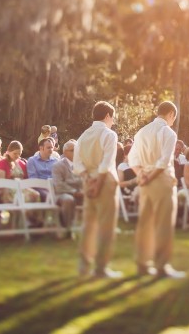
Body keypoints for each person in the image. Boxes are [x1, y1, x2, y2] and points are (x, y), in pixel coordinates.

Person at [128, 101, 185, 278]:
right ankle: (162, 266)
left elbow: (132, 158)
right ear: (171, 114)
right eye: (173, 118)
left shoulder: (141, 132)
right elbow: (164, 161)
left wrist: (141, 175)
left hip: (145, 179)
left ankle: (142, 263)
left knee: (145, 223)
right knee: (163, 224)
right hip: (160, 179)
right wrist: (149, 177)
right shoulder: (168, 132)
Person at [74, 100, 122, 278]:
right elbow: (107, 163)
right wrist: (98, 183)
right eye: (113, 117)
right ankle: (101, 268)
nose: (113, 121)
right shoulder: (109, 135)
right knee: (105, 226)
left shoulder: (82, 136)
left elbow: (77, 164)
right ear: (108, 116)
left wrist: (88, 180)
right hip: (105, 182)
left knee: (88, 225)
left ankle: (84, 266)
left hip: (88, 181)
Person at [51, 140, 83, 233]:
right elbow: (59, 185)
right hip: (62, 194)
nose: (76, 152)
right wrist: (75, 192)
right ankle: (68, 229)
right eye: (73, 150)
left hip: (79, 193)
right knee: (68, 199)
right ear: (65, 152)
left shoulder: (80, 165)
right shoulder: (57, 166)